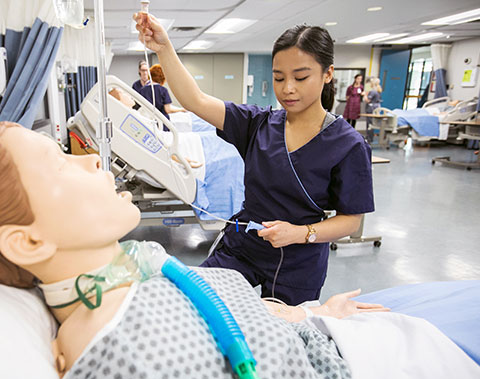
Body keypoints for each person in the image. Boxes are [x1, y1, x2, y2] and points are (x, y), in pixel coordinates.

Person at [0, 123, 480, 379]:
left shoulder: (139, 280)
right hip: (385, 373)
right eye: (61, 164)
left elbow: (237, 329)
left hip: (346, 331)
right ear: (27, 243)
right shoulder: (126, 360)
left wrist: (313, 317)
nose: (92, 161)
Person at [134, 14, 374, 305]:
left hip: (299, 261)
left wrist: (300, 233)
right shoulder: (258, 123)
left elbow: (350, 221)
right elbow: (195, 100)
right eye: (278, 77)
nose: (287, 88)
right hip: (244, 246)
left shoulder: (348, 144)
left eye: (300, 77)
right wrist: (164, 48)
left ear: (327, 73)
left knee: (283, 335)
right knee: (195, 304)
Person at [138, 64, 186, 130]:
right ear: (163, 77)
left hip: (148, 123)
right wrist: (182, 110)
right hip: (162, 123)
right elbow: (168, 110)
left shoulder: (142, 90)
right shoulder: (163, 90)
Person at [364, 77, 383, 143]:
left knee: (369, 124)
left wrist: (365, 95)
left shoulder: (372, 91)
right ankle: (369, 138)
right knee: (372, 123)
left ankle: (369, 139)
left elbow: (368, 100)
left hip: (371, 109)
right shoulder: (378, 90)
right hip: (376, 108)